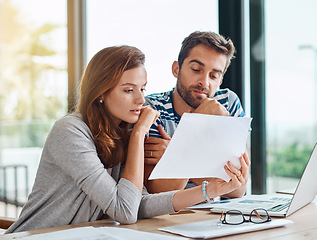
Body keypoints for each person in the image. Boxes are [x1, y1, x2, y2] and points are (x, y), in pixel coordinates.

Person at [6, 45, 247, 233]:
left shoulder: (121, 133)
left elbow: (139, 203)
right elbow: (124, 211)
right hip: (36, 236)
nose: (141, 100)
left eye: (142, 89)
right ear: (101, 93)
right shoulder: (70, 131)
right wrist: (140, 134)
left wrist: (210, 190)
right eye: (128, 90)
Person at [143, 31, 250, 198]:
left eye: (214, 75)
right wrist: (197, 122)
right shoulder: (152, 109)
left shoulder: (228, 103)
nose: (205, 82)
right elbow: (159, 192)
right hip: (171, 216)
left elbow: (237, 188)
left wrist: (174, 154)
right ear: (176, 69)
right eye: (196, 69)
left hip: (219, 215)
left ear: (220, 80)